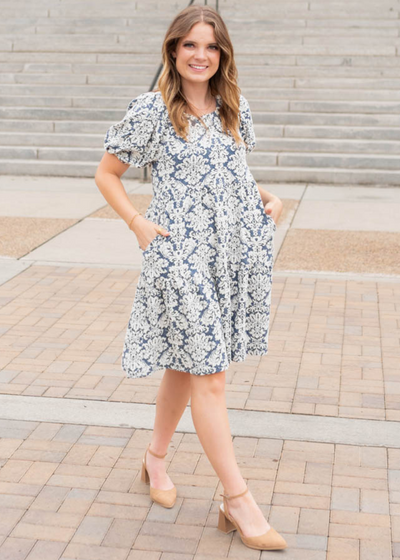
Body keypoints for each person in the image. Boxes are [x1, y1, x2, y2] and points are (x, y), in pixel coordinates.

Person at [95, 4, 286, 552]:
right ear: (173, 51)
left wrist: (264, 197)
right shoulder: (152, 110)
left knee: (187, 364)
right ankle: (238, 500)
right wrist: (137, 223)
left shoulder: (233, 109)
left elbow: (231, 173)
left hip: (227, 255)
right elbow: (106, 173)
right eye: (190, 45)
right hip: (177, 254)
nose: (200, 55)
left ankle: (154, 461)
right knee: (212, 375)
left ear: (221, 54)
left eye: (210, 46)